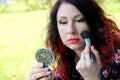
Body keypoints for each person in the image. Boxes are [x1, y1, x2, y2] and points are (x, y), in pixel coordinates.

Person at [27, 0, 120, 80]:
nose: (70, 30)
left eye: (79, 20)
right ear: (57, 29)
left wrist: (92, 77)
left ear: (93, 24)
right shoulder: (65, 65)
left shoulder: (117, 57)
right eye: (63, 22)